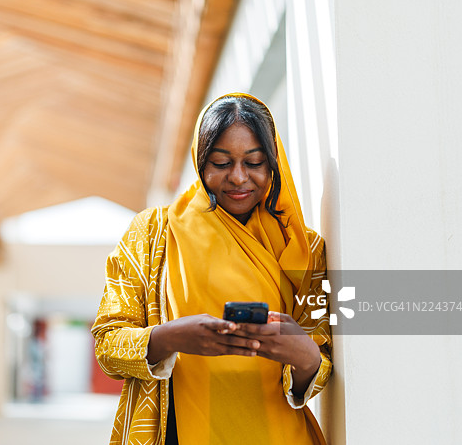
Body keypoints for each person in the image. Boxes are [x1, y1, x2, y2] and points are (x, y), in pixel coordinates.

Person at [92, 93, 332, 444]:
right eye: (221, 163)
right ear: (200, 161)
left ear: (273, 164)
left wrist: (304, 355)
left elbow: (322, 362)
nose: (238, 178)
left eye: (254, 162)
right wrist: (171, 336)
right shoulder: (153, 233)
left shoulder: (303, 249)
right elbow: (107, 346)